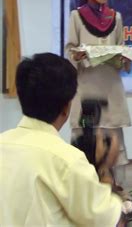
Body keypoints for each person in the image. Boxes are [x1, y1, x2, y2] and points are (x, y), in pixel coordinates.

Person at [0, 53, 122, 226]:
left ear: (21, 98)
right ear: (67, 107)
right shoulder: (67, 160)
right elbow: (111, 221)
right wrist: (105, 170)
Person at [65, 0, 131, 185]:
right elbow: (70, 49)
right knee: (87, 133)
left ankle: (116, 185)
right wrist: (78, 55)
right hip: (86, 87)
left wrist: (124, 56)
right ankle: (84, 184)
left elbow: (121, 46)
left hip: (110, 86)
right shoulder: (77, 16)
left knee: (113, 134)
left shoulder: (116, 17)